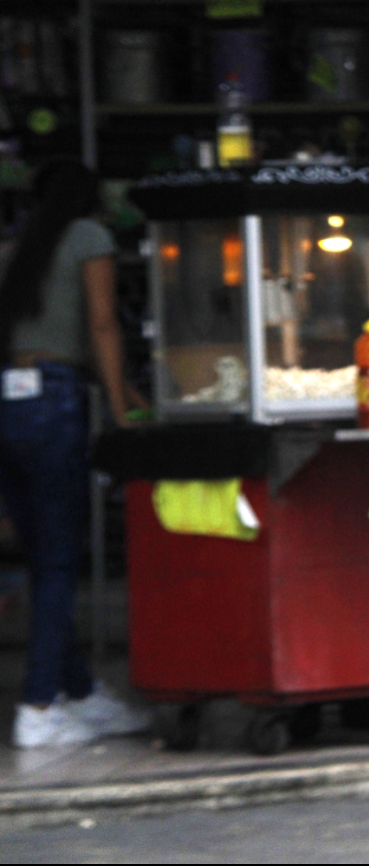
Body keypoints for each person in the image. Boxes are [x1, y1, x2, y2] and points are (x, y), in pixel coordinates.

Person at [0, 158, 151, 748]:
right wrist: (120, 406)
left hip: (7, 405)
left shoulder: (15, 248)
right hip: (50, 405)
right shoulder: (88, 236)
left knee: (42, 557)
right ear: (91, 202)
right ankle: (39, 704)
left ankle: (81, 693)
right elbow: (103, 327)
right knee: (60, 559)